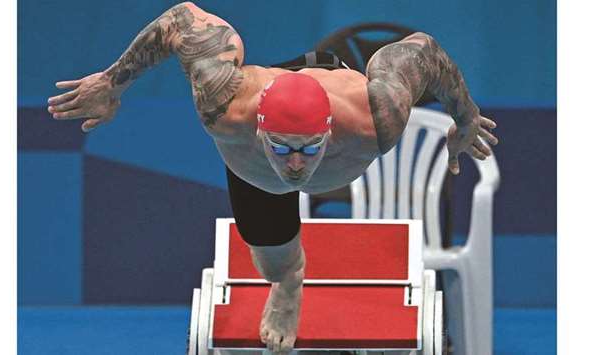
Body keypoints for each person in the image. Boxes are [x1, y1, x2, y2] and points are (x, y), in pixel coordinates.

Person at [47, 2, 499, 354]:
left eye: (309, 149)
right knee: (271, 256)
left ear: (330, 132)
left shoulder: (377, 116)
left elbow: (425, 51)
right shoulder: (224, 105)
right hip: (257, 157)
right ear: (260, 129)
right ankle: (288, 282)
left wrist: (465, 118)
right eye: (282, 147)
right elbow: (182, 19)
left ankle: (287, 276)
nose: (296, 164)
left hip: (334, 77)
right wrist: (113, 82)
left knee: (287, 177)